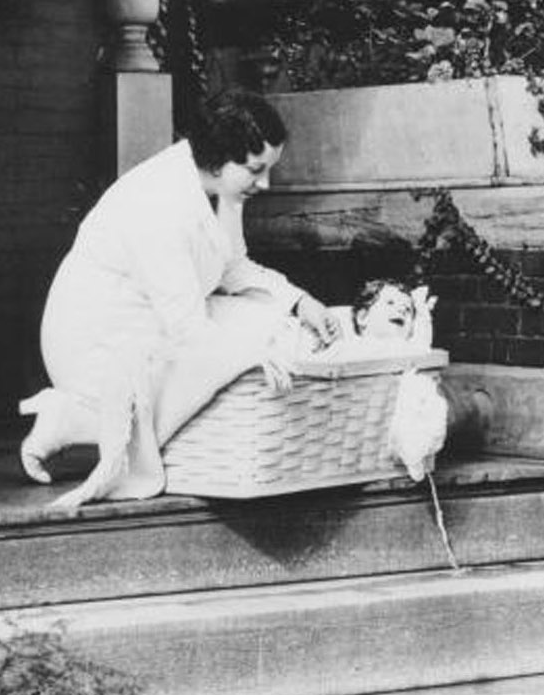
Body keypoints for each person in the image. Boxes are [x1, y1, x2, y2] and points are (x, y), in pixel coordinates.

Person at [19, 90, 339, 508]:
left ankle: (89, 423)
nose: (265, 184)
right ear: (218, 156)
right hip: (98, 339)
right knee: (237, 352)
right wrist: (250, 353)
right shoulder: (157, 203)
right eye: (256, 170)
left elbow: (232, 266)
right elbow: (187, 327)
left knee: (267, 323)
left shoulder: (220, 185)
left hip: (155, 321)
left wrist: (300, 302)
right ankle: (76, 420)